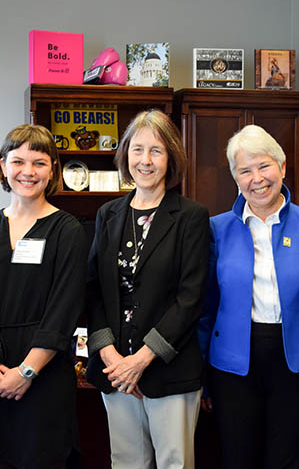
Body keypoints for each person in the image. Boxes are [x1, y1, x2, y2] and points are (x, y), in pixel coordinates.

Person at [199, 124, 299, 469]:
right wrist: (203, 381)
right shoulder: (216, 229)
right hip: (232, 365)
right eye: (244, 170)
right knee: (237, 458)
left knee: (287, 460)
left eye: (264, 166)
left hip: (295, 362)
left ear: (281, 167)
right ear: (235, 178)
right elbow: (206, 310)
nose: (257, 178)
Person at [0, 124, 88, 469]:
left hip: (43, 370)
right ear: (2, 166)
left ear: (53, 170)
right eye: (18, 161)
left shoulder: (67, 230)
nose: (28, 172)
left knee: (44, 457)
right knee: (0, 458)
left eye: (39, 163)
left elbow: (64, 311)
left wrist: (26, 371)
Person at [85, 109, 209, 469]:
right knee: (126, 463)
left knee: (174, 463)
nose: (145, 160)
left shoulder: (190, 216)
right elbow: (93, 290)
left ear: (171, 157)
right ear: (125, 155)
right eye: (137, 149)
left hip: (168, 369)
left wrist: (140, 361)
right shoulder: (108, 214)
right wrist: (111, 356)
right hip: (115, 369)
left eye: (156, 150)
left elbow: (191, 298)